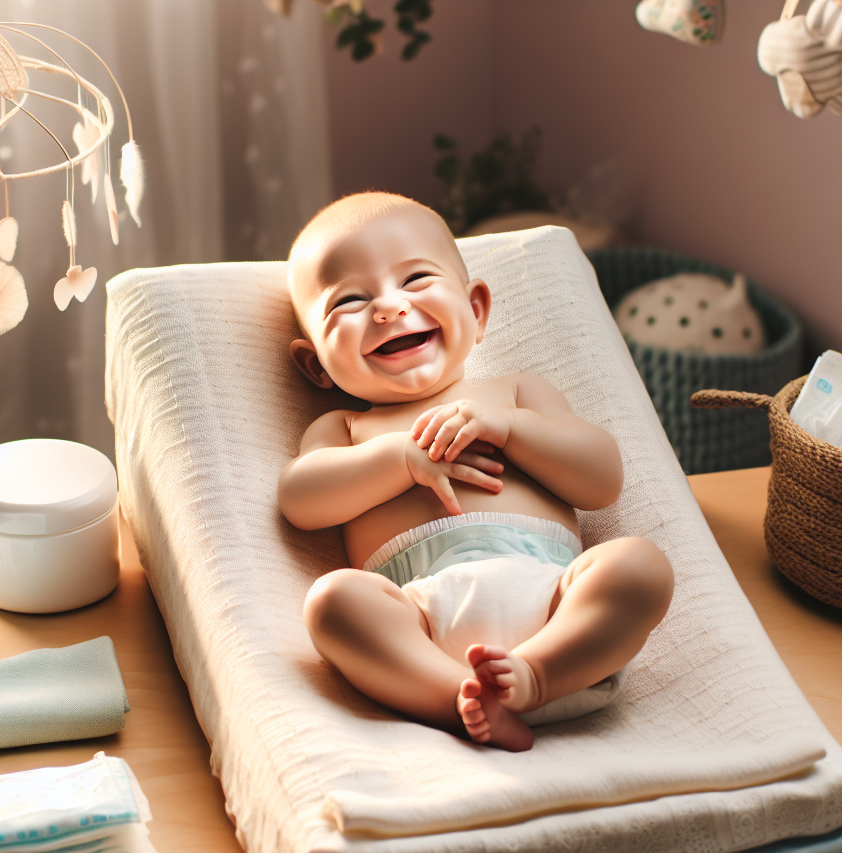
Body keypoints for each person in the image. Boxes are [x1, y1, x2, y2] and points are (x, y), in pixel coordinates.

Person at [278, 192, 673, 752]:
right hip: (421, 618)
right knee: (332, 602)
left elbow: (602, 479)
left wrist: (511, 429)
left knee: (638, 565)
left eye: (415, 280)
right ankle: (461, 698)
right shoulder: (344, 429)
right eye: (350, 301)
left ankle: (536, 675)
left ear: (477, 310)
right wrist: (402, 460)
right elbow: (301, 498)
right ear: (317, 364)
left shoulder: (512, 394)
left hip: (555, 600)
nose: (388, 309)